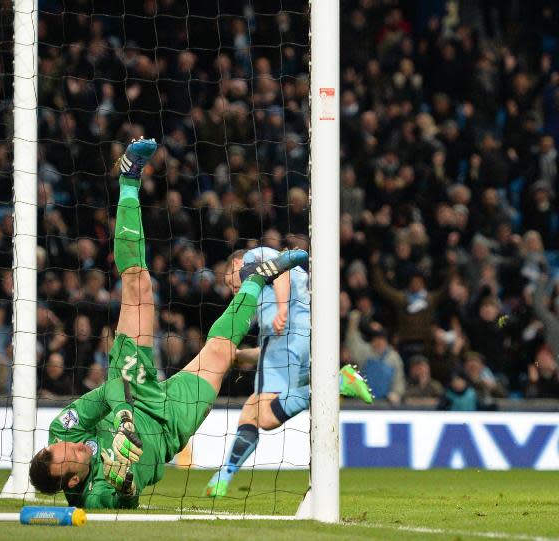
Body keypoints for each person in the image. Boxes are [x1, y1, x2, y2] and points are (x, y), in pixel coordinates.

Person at [28, 138, 361, 509]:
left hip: (135, 394)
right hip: (171, 424)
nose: (72, 444)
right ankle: (256, 280)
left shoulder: (62, 428)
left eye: (61, 446)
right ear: (73, 478)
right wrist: (123, 485)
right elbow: (126, 503)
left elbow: (108, 391)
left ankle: (128, 180)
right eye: (70, 453)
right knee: (220, 352)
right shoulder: (93, 495)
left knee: (138, 285)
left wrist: (123, 419)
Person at [203, 247, 373, 498]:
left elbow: (279, 269)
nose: (233, 290)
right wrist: (240, 357)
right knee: (251, 410)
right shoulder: (270, 295)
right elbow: (272, 351)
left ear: (236, 263)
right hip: (303, 341)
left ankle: (337, 382)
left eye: (232, 283)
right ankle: (222, 478)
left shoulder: (252, 259)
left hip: (286, 339)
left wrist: (282, 308)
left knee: (266, 417)